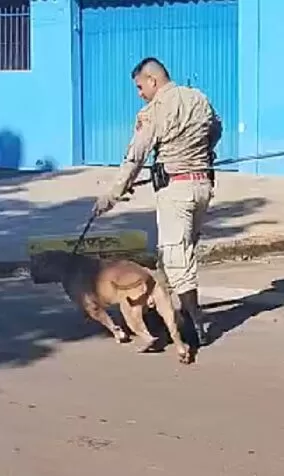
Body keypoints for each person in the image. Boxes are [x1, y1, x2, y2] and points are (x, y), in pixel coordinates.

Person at [92, 56, 222, 347]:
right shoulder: (198, 97)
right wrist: (202, 151)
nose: (139, 93)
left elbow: (135, 157)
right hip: (202, 186)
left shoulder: (153, 111)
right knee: (175, 252)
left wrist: (112, 195)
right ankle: (157, 305)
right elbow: (216, 129)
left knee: (177, 259)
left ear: (153, 80)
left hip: (176, 190)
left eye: (140, 86)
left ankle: (194, 322)